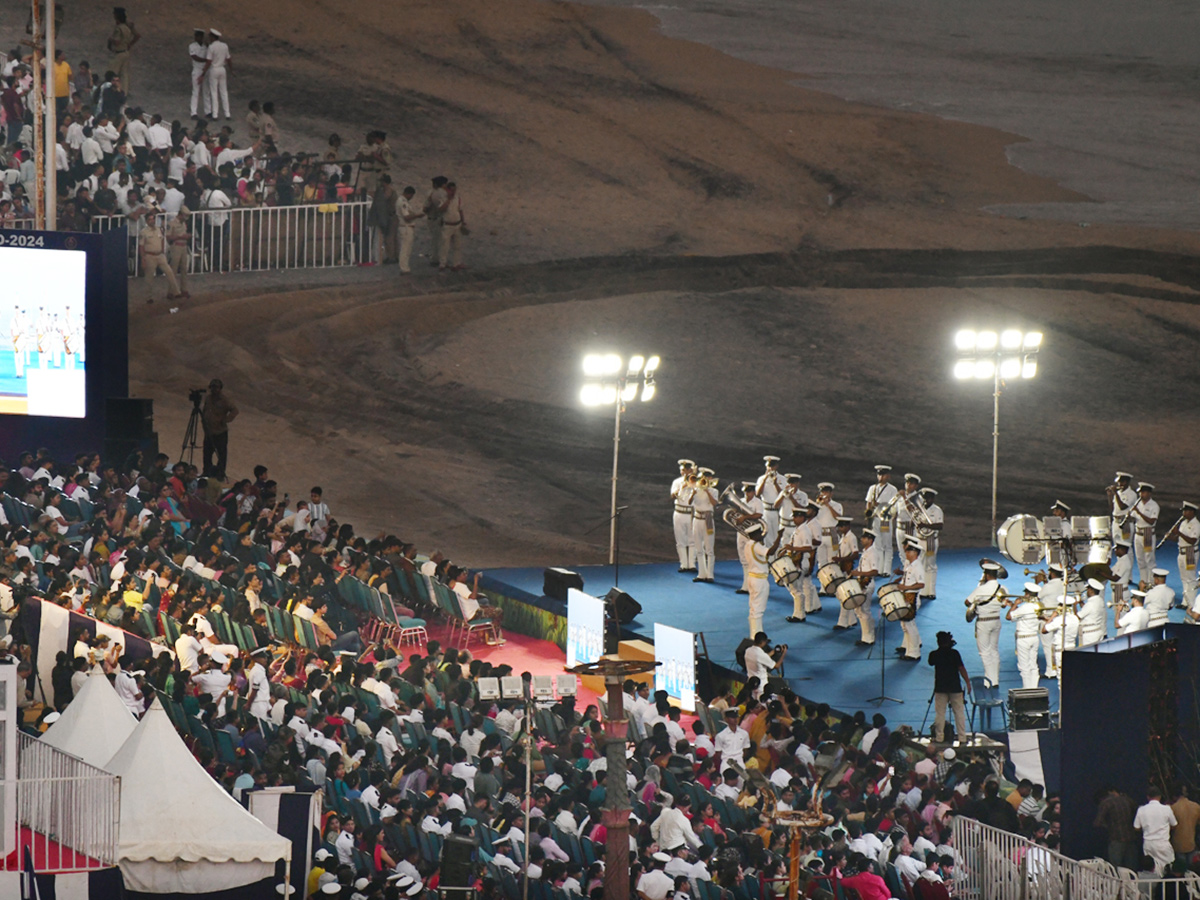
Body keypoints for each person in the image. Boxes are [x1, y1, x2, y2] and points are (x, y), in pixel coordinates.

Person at [964, 560, 1006, 687]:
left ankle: (990, 680)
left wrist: (977, 601)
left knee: (984, 652)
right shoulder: (1003, 588)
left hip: (984, 622)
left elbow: (967, 602)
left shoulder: (981, 589)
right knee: (994, 650)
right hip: (996, 620)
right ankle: (995, 679)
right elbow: (1004, 604)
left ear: (987, 575)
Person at [927, 630, 971, 743]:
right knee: (959, 713)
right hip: (955, 687)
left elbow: (930, 662)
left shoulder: (934, 654)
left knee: (940, 714)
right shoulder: (954, 653)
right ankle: (962, 737)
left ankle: (939, 737)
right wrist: (968, 683)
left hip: (940, 687)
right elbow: (961, 668)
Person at [137, 210, 182, 302]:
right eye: (150, 219)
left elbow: (161, 239)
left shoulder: (159, 229)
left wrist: (162, 250)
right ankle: (148, 297)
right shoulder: (143, 232)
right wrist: (143, 259)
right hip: (150, 256)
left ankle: (176, 292)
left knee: (169, 273)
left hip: (160, 255)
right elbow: (141, 246)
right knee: (149, 278)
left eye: (153, 219)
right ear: (146, 221)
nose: (152, 221)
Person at [201, 377, 239, 480]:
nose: (214, 390)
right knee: (207, 453)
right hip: (209, 431)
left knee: (221, 454)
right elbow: (205, 410)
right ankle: (207, 472)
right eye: (212, 387)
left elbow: (235, 410)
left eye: (216, 387)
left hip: (220, 432)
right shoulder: (208, 398)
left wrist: (226, 420)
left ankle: (220, 474)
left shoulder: (224, 400)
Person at [1134, 786, 1177, 875]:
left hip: (1148, 843)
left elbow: (1136, 827)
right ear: (1160, 796)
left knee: (1152, 869)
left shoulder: (1141, 810)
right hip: (1162, 842)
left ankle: (1154, 887)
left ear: (1148, 797)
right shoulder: (1166, 809)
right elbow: (1174, 824)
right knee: (1169, 867)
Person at [1165, 502, 1200, 612]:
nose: (1183, 513)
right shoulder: (1184, 522)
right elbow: (1180, 539)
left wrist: (1179, 533)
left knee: (1190, 578)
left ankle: (1192, 603)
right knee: (1184, 578)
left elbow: (1193, 540)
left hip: (1190, 553)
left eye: (1186, 511)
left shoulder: (1196, 524)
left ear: (1192, 512)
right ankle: (1186, 602)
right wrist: (1171, 536)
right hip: (1181, 551)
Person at [864, 465, 898, 578]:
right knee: (877, 544)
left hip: (885, 519)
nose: (880, 477)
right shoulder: (872, 488)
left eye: (883, 474)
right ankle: (878, 568)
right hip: (875, 518)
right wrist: (869, 511)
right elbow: (868, 502)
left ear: (888, 476)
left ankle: (887, 570)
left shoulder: (892, 489)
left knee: (887, 545)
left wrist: (881, 505)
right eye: (879, 474)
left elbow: (894, 505)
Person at [1007, 583, 1042, 689]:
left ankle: (1027, 689)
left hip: (1024, 639)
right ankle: (1034, 688)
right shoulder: (1039, 606)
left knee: (1024, 666)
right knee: (1033, 665)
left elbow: (1008, 617)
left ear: (1027, 594)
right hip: (1034, 637)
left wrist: (1014, 605)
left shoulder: (1025, 607)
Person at [847, 528, 879, 646]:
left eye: (864, 538)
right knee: (860, 610)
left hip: (867, 583)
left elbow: (875, 571)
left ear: (870, 540)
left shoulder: (872, 553)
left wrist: (859, 574)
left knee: (863, 610)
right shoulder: (866, 551)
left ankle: (868, 638)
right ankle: (868, 633)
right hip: (861, 582)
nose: (862, 539)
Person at [895, 538, 925, 661]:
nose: (906, 553)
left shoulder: (917, 566)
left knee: (909, 625)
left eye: (909, 551)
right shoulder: (911, 565)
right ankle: (909, 648)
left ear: (915, 553)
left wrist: (905, 587)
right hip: (906, 597)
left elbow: (921, 584)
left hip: (912, 598)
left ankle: (914, 653)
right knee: (906, 624)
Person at [733, 481, 764, 593]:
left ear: (754, 492)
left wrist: (744, 517)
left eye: (749, 491)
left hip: (753, 532)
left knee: (752, 558)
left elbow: (759, 515)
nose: (747, 493)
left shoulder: (758, 502)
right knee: (743, 559)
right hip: (741, 532)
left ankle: (754, 585)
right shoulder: (741, 501)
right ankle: (745, 586)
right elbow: (735, 514)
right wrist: (737, 520)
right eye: (745, 491)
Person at [690, 469, 718, 584]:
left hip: (707, 519)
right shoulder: (695, 489)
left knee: (709, 549)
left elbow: (715, 503)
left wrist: (707, 491)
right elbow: (689, 502)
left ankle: (710, 574)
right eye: (702, 477)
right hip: (697, 519)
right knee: (698, 548)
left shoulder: (714, 490)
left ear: (710, 479)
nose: (704, 480)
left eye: (707, 477)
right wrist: (693, 493)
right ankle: (701, 574)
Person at [743, 525, 772, 637]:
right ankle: (755, 636)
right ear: (755, 535)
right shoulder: (756, 546)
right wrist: (779, 538)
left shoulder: (748, 544)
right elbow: (770, 552)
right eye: (760, 533)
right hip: (759, 580)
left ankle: (757, 633)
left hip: (752, 577)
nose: (761, 534)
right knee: (758, 609)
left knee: (754, 608)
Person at [670, 460, 697, 573]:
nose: (683, 472)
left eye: (685, 470)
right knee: (680, 540)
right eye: (682, 470)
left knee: (692, 540)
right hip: (679, 512)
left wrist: (692, 484)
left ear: (691, 470)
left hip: (691, 513)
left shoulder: (696, 481)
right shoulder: (677, 482)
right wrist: (682, 486)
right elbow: (672, 496)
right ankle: (683, 564)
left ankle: (691, 564)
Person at [1131, 482, 1160, 584]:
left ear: (1149, 493)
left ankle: (1151, 582)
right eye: (1140, 492)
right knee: (1140, 559)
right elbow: (1133, 517)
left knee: (1149, 559)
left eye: (1143, 492)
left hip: (1148, 534)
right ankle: (1143, 581)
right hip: (1138, 533)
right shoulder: (1138, 504)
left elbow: (1152, 521)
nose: (1141, 495)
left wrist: (1139, 512)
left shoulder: (1154, 505)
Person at [918, 488, 944, 598]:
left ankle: (931, 591)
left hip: (931, 541)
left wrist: (925, 525)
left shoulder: (937, 510)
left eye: (928, 498)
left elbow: (940, 526)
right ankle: (922, 591)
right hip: (920, 539)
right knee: (921, 565)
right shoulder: (919, 509)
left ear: (932, 499)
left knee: (931, 566)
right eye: (924, 498)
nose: (925, 500)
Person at [107, 8, 140, 95]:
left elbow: (117, 42)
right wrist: (130, 44)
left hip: (118, 53)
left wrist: (111, 39)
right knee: (124, 74)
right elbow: (137, 35)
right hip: (126, 52)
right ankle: (124, 93)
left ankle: (111, 91)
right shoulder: (128, 26)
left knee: (112, 73)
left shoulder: (119, 28)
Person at [202, 29, 232, 120]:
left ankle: (215, 114)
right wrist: (231, 69)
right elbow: (229, 59)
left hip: (214, 69)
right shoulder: (224, 45)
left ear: (213, 37)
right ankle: (227, 114)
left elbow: (208, 61)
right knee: (224, 92)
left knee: (214, 92)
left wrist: (203, 72)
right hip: (222, 69)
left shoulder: (211, 47)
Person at [438, 181, 468, 270]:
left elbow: (460, 210)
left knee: (457, 245)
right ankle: (442, 264)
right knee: (445, 246)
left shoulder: (458, 198)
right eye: (451, 190)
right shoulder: (443, 199)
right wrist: (448, 200)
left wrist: (463, 221)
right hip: (447, 225)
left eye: (454, 190)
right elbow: (441, 209)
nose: (453, 192)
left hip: (457, 224)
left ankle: (456, 263)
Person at [755, 456, 783, 547]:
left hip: (777, 510)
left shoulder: (782, 479)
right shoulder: (761, 479)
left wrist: (776, 484)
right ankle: (769, 559)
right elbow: (758, 494)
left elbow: (783, 494)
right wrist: (764, 480)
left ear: (777, 466)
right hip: (766, 510)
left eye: (772, 466)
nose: (770, 468)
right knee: (767, 536)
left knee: (778, 536)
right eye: (768, 466)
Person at [165, 207, 192, 299]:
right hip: (176, 246)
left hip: (184, 246)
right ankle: (171, 291)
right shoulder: (171, 223)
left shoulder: (183, 223)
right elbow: (168, 237)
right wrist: (181, 236)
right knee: (174, 270)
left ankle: (184, 289)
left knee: (184, 269)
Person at [396, 185, 423, 274]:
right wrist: (417, 215)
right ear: (409, 194)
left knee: (407, 248)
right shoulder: (403, 202)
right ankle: (404, 268)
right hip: (406, 227)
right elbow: (407, 217)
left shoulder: (402, 201)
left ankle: (405, 267)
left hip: (406, 227)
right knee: (405, 249)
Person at [1107, 471, 1137, 548]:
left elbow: (1122, 507)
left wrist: (1115, 493)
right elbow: (1113, 508)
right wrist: (1110, 496)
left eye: (1122, 482)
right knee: (1117, 547)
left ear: (1127, 482)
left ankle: (1128, 560)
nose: (1119, 484)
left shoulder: (1131, 494)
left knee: (1125, 547)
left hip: (1125, 523)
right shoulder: (1119, 493)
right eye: (1119, 482)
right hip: (1116, 522)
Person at [1077, 578, 1108, 646]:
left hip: (1089, 635)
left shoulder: (1090, 604)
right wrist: (1081, 603)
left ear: (1091, 590)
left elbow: (1077, 617)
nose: (1087, 591)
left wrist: (1074, 605)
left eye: (1088, 589)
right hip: (1097, 631)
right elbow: (1090, 610)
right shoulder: (1100, 600)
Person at [188, 30, 210, 118]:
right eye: (197, 36)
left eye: (200, 36)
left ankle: (208, 111)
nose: (198, 38)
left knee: (206, 91)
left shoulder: (206, 46)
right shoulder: (192, 46)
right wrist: (206, 60)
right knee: (195, 91)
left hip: (205, 69)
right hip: (197, 69)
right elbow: (194, 57)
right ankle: (193, 112)